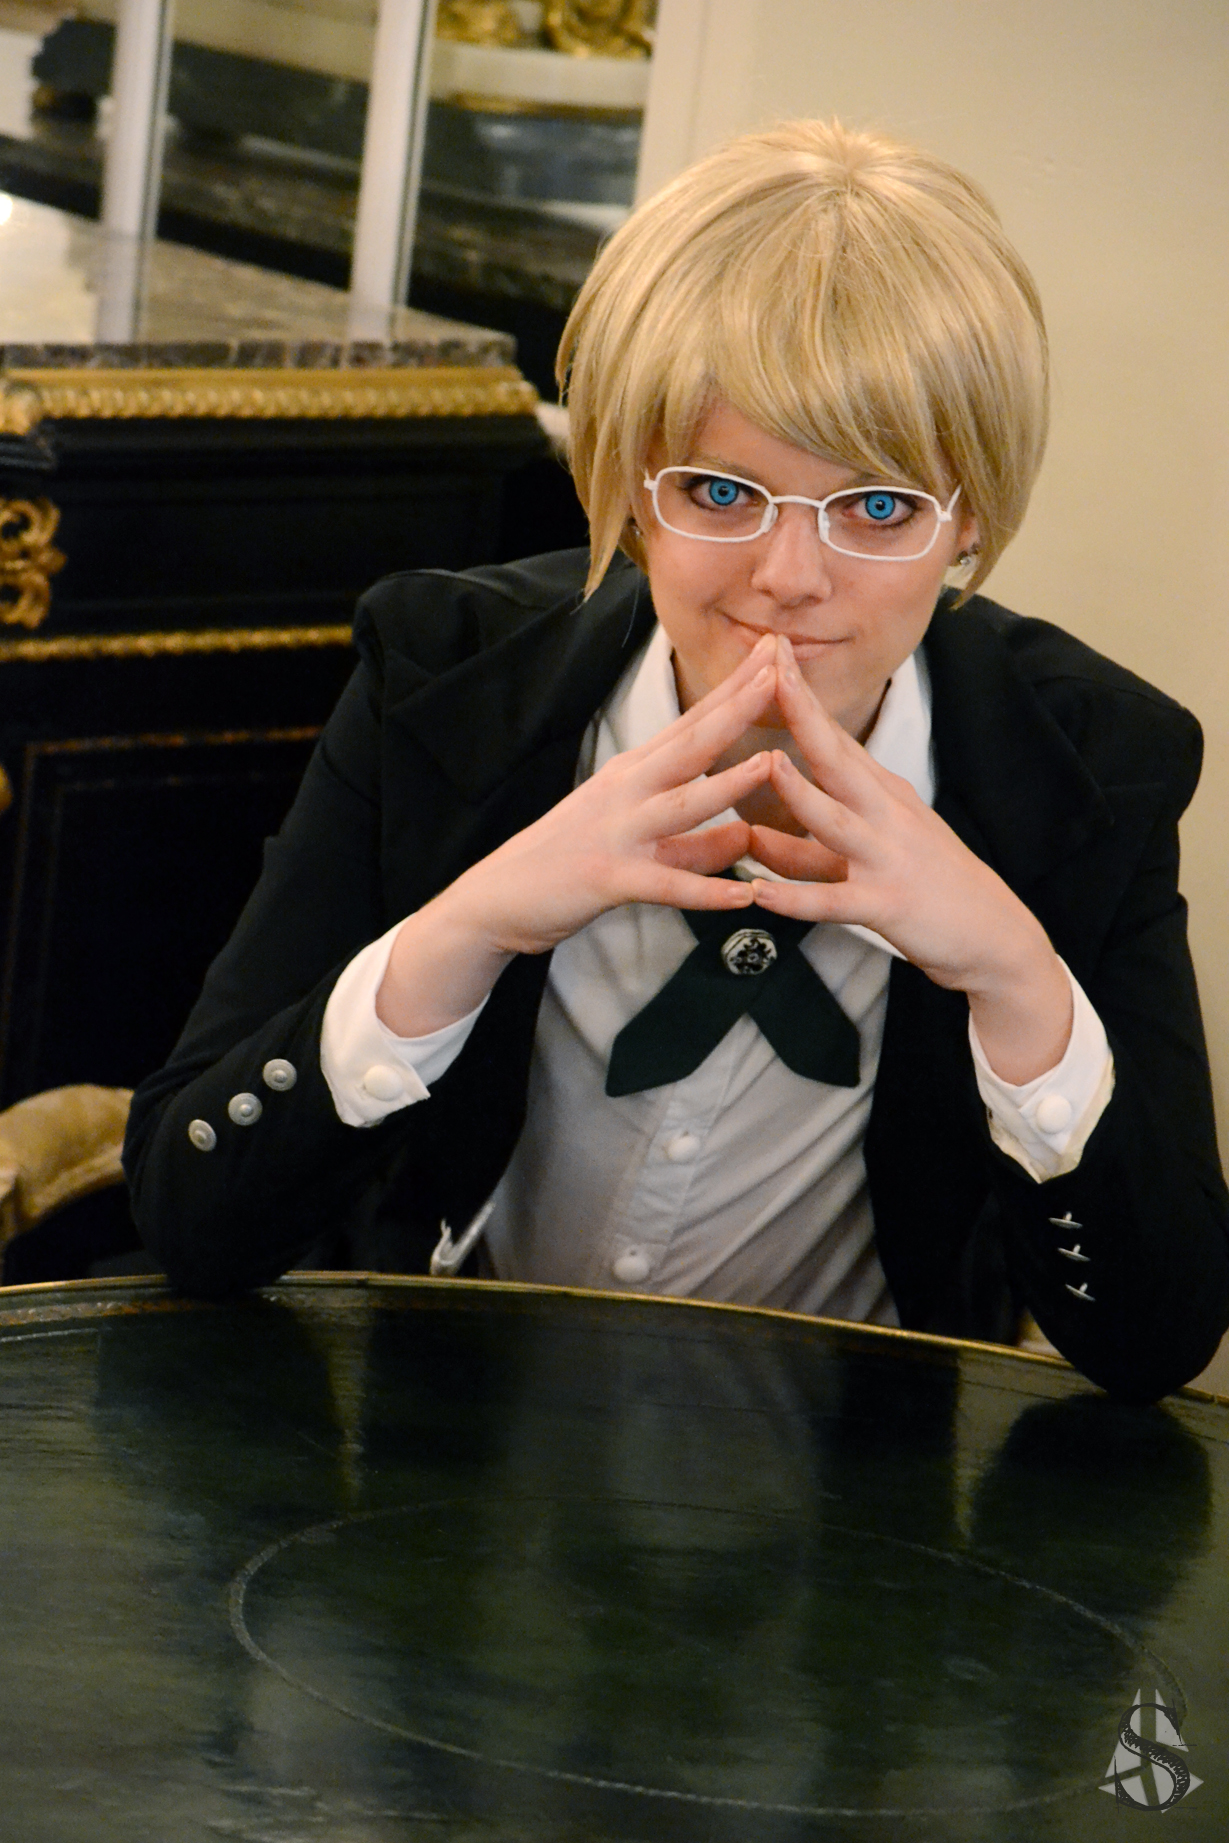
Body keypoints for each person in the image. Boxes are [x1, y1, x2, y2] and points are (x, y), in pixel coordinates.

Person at [124, 119, 1229, 1403]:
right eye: (719, 491)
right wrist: (465, 928)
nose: (789, 578)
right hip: (438, 1456)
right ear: (630, 483)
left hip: (863, 1497)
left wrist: (1013, 975)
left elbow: (1154, 1345)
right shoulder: (440, 678)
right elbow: (191, 1220)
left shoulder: (1094, 765)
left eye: (877, 506)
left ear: (967, 516)